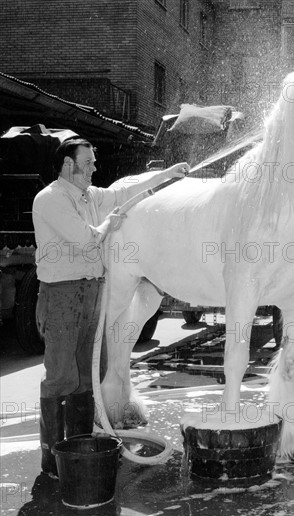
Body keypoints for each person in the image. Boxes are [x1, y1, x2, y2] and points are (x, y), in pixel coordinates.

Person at [33, 137, 189, 478]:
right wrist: (110, 224)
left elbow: (122, 194)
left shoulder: (90, 196)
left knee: (88, 372)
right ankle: (53, 458)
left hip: (91, 291)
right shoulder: (50, 199)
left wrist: (167, 174)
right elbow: (87, 239)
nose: (94, 168)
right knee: (62, 375)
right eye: (87, 162)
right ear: (67, 165)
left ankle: (80, 445)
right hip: (61, 294)